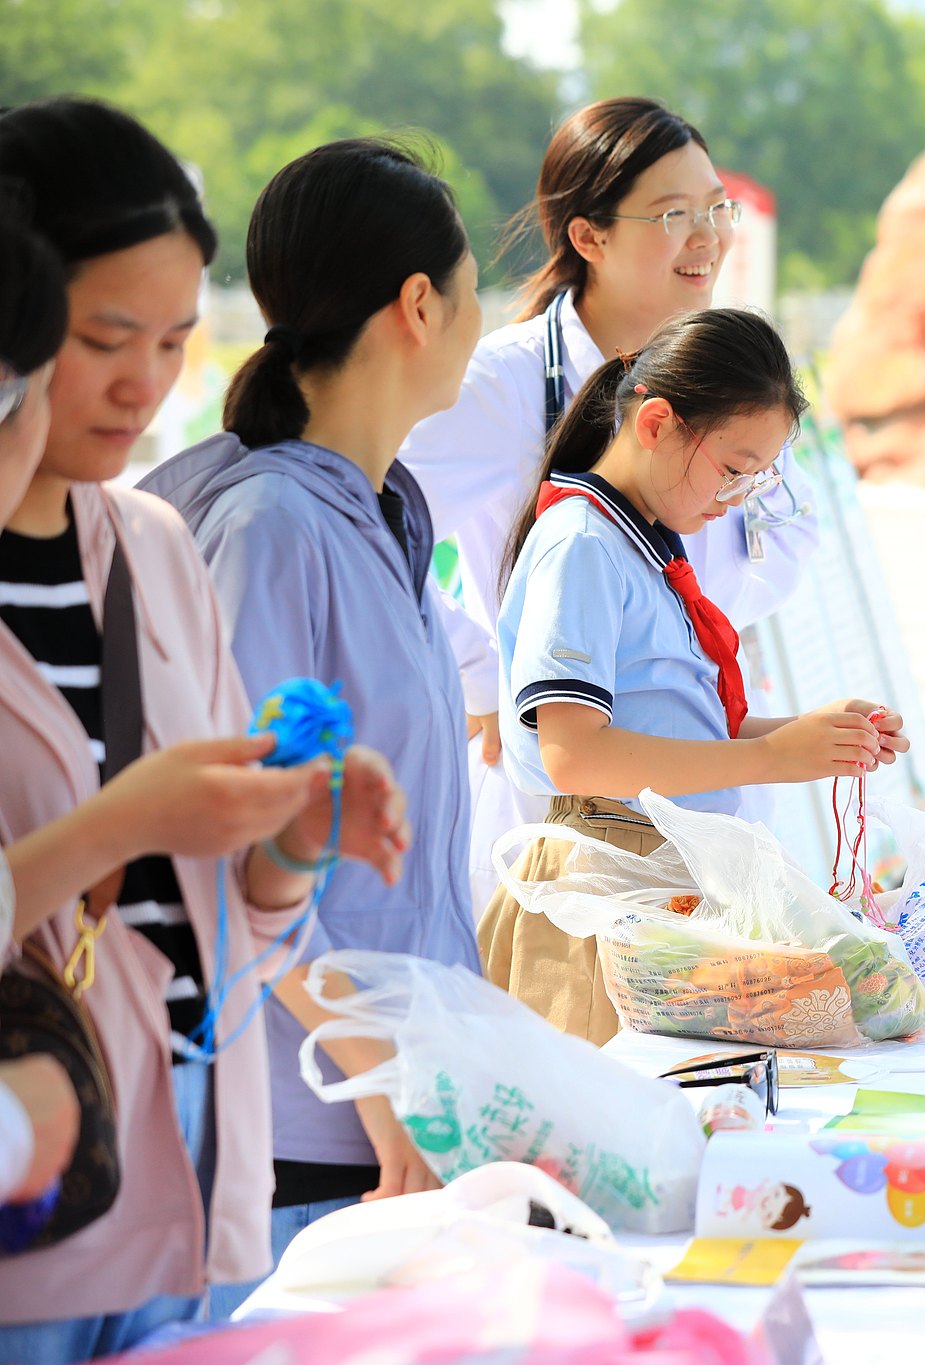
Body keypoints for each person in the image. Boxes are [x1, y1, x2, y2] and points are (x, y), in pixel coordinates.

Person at [0, 99, 407, 1361]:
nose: (143, 384)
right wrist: (119, 826)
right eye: (102, 337)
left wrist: (291, 845)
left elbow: (220, 937)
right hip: (33, 1198)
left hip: (191, 1184)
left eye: (175, 340)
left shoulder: (155, 547)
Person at [139, 137, 486, 1311]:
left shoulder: (383, 509)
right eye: (474, 288)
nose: (481, 319)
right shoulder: (271, 527)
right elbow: (243, 847)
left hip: (406, 1109)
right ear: (419, 305)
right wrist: (381, 1085)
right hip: (320, 1126)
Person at [397, 97, 820, 919]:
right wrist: (479, 671)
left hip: (704, 799)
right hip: (579, 830)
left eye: (716, 208)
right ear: (588, 236)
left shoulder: (727, 370)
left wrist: (695, 649)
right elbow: (372, 529)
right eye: (674, 214)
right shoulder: (502, 386)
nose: (709, 237)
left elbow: (789, 532)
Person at [482, 307, 903, 1045]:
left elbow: (672, 726)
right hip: (607, 891)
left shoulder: (640, 543)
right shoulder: (582, 543)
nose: (735, 499)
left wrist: (816, 737)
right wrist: (768, 757)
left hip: (653, 875)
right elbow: (573, 752)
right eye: (734, 470)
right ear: (655, 424)